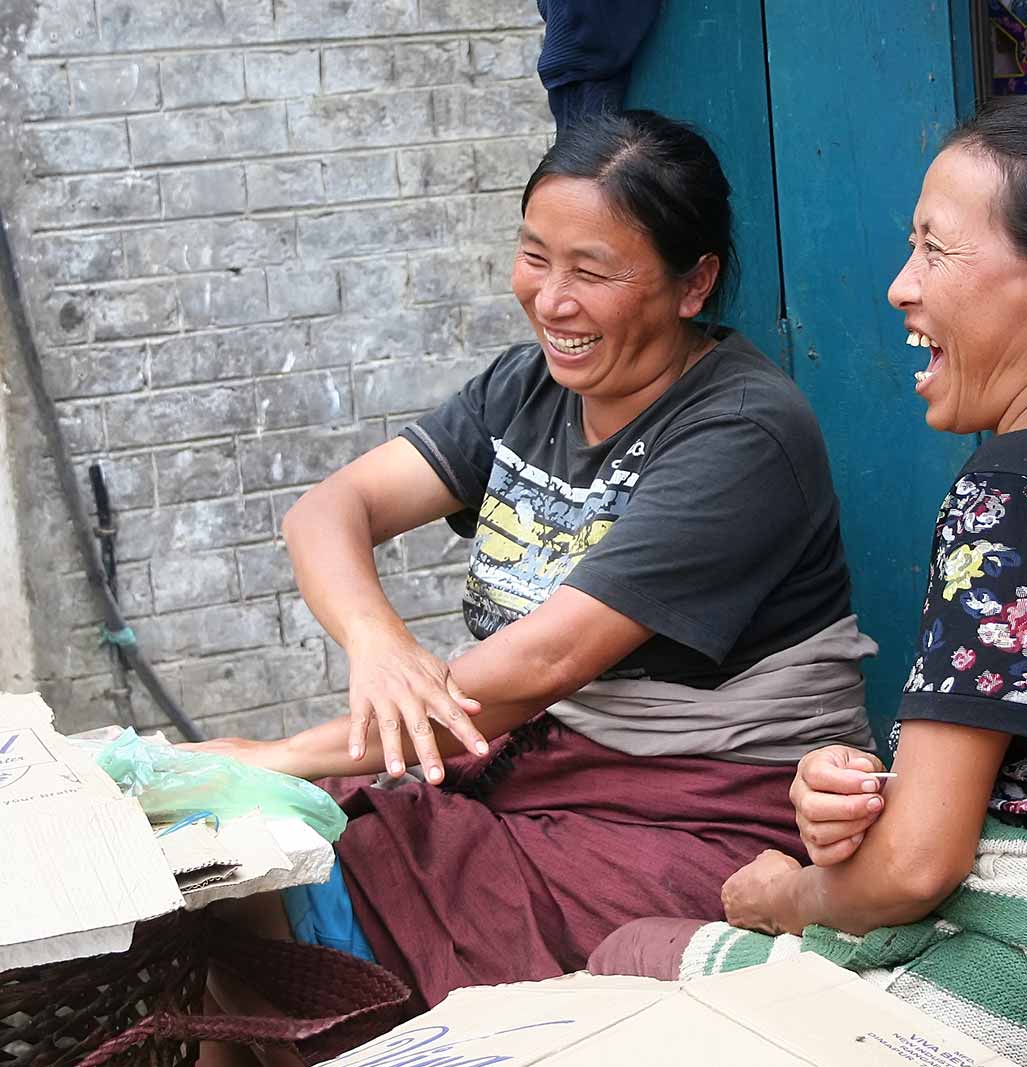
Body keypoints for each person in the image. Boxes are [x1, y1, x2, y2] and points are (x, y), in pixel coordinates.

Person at [593, 99, 1027, 977]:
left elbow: (918, 867)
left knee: (630, 948)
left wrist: (786, 894)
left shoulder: (1016, 494)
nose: (901, 285)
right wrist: (850, 799)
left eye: (935, 248)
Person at [195, 110, 876, 1006]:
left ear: (694, 282)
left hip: (696, 811)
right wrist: (378, 642)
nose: (552, 299)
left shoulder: (742, 432)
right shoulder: (526, 388)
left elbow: (535, 668)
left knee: (298, 872)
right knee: (239, 868)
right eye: (535, 256)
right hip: (536, 760)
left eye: (591, 271)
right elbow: (329, 509)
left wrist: (277, 755)